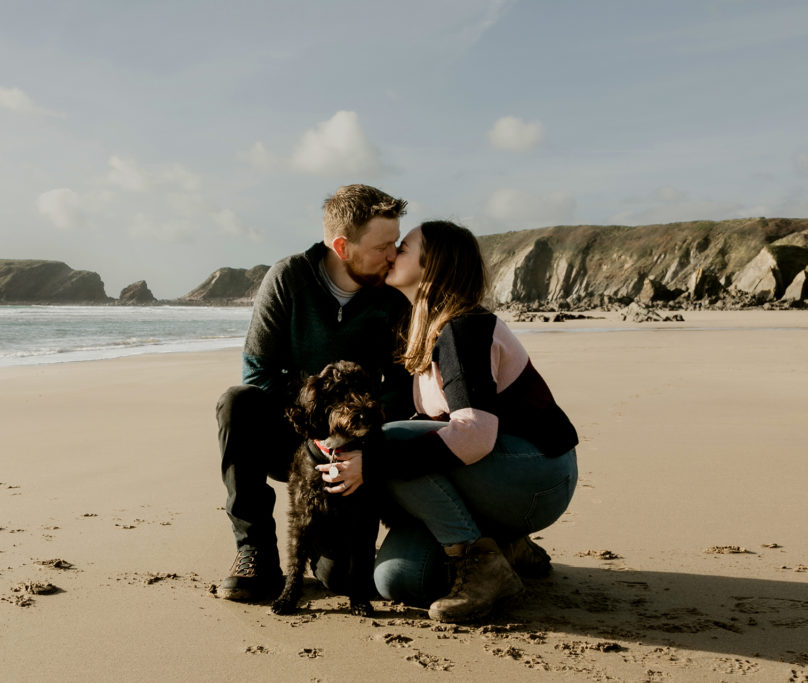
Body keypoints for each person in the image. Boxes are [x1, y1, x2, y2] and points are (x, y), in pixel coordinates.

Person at [317, 220, 579, 623]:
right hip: (494, 478)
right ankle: (507, 546)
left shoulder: (464, 330)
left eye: (402, 249)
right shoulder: (420, 328)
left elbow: (475, 436)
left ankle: (482, 564)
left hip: (537, 474)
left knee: (390, 443)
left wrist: (373, 462)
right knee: (398, 579)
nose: (391, 255)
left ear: (433, 264)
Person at [216, 184, 414, 602]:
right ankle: (254, 551)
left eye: (396, 243)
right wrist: (313, 431)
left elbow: (400, 390)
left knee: (341, 580)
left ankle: (334, 550)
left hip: (355, 443)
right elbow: (257, 372)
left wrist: (361, 448)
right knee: (237, 402)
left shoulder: (393, 301)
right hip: (294, 431)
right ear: (343, 245)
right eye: (384, 246)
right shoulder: (288, 278)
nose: (393, 255)